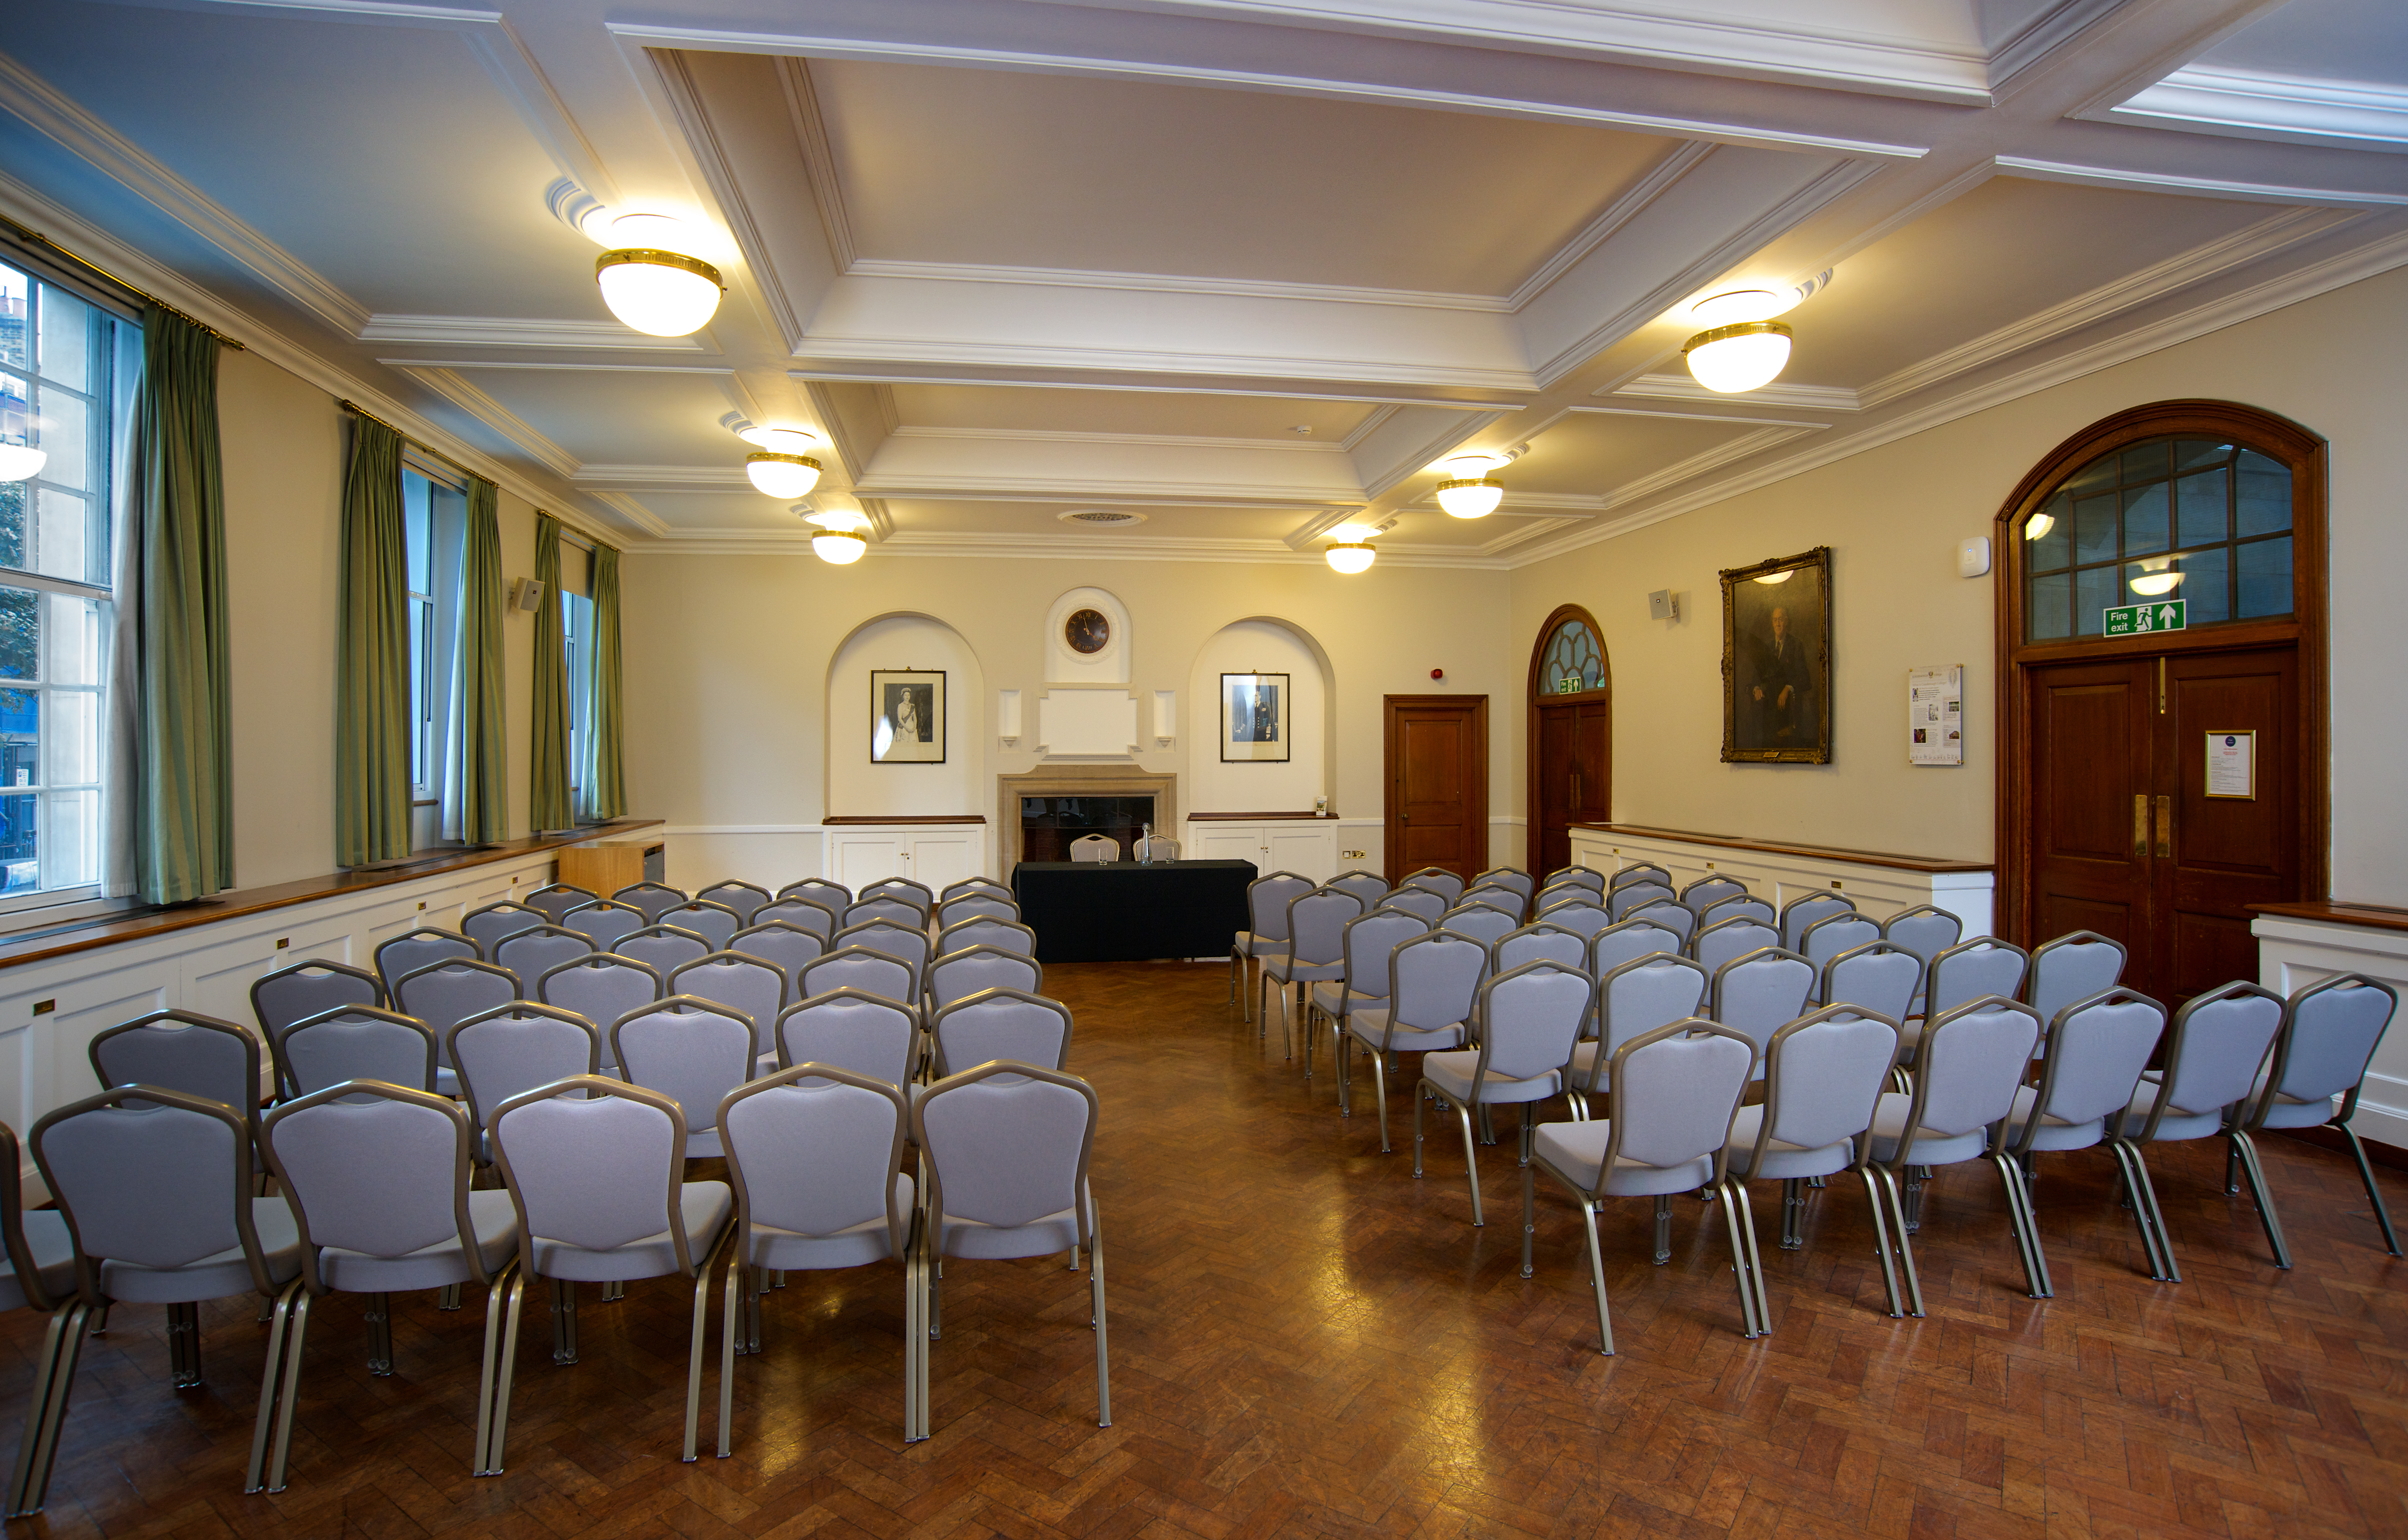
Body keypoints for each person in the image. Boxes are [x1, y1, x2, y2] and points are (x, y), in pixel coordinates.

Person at [1748, 605, 1810, 745]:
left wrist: (1788, 688)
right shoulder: (1768, 648)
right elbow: (1756, 676)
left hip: (1786, 707)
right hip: (1768, 705)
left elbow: (1805, 677)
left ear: (1787, 622)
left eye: (1781, 620)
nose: (1778, 624)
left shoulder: (1796, 645)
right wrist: (1756, 688)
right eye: (1775, 620)